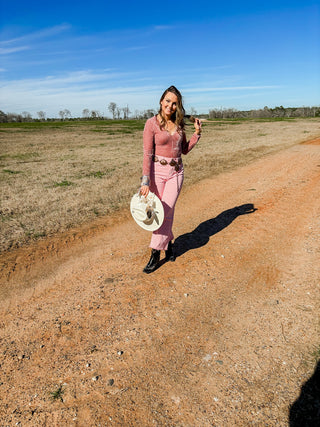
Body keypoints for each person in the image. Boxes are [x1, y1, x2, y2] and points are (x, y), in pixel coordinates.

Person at [140, 85, 202, 273]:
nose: (171, 106)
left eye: (175, 103)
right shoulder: (151, 124)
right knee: (162, 212)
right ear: (161, 101)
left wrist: (196, 134)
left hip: (176, 172)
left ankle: (155, 253)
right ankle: (169, 245)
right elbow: (147, 154)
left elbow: (184, 150)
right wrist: (145, 181)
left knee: (166, 210)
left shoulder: (180, 124)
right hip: (156, 172)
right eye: (168, 101)